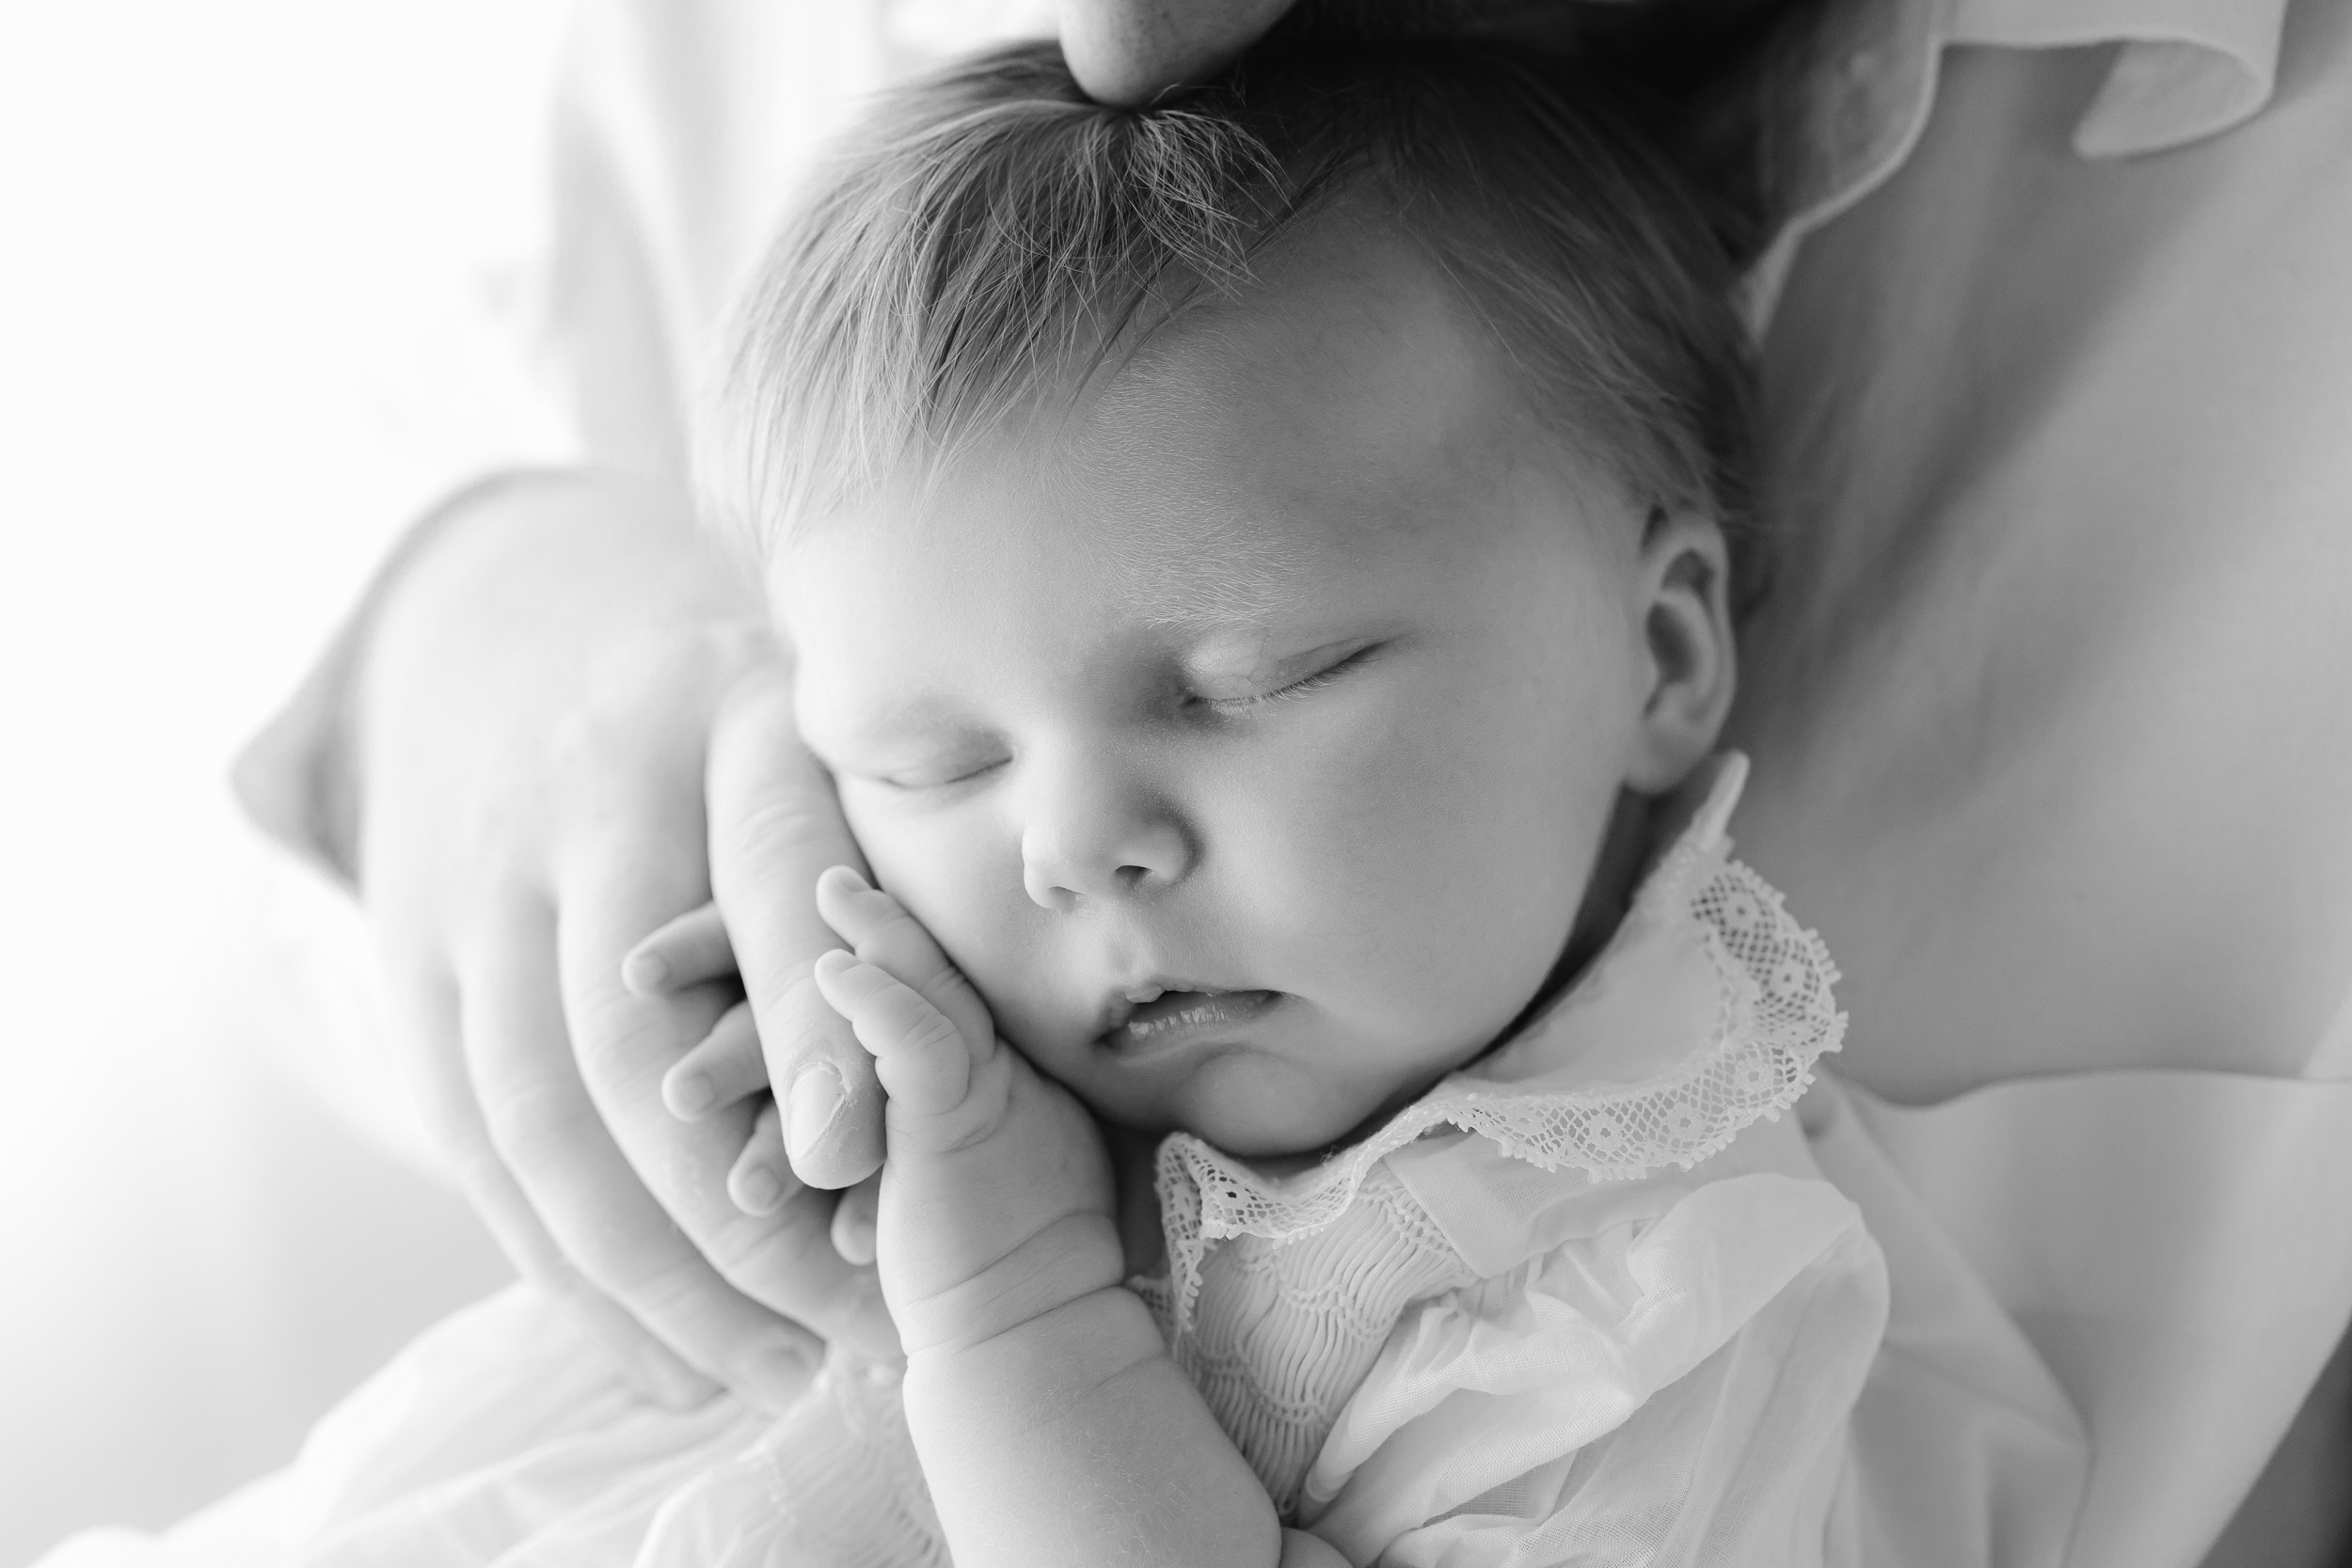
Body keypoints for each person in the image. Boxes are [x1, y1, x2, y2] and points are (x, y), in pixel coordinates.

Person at [209, 0, 2352, 1563]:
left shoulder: (1612, 1305)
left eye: (1265, 674)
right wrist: (486, 624)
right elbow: (311, 699)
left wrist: (1019, 1315)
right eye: (923, 755)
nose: (1065, 845)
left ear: (1667, 651)